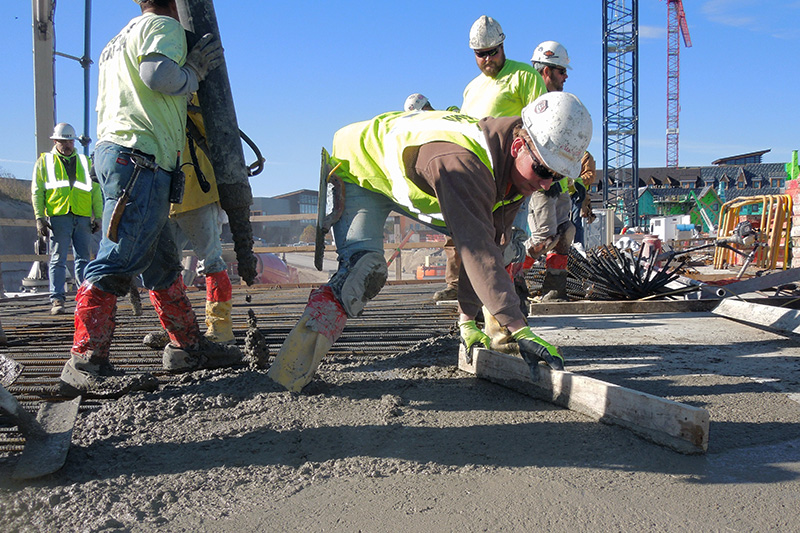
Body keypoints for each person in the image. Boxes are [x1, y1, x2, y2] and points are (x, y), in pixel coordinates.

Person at [268, 91, 593, 392]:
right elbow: (475, 247)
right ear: (518, 146)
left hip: (411, 175)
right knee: (361, 272)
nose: (545, 182)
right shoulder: (462, 164)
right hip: (360, 168)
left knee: (505, 248)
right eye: (541, 170)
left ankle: (496, 339)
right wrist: (518, 326)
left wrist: (467, 318)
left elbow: (488, 244)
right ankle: (286, 377)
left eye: (556, 176)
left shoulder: (516, 171)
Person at [58, 0, 241, 397]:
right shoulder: (164, 26)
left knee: (160, 263)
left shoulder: (118, 38)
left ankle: (187, 348)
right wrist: (194, 71)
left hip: (122, 155)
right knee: (119, 258)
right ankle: (85, 360)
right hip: (140, 157)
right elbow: (158, 76)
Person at [434, 15, 548, 302]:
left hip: (512, 176)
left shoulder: (524, 77)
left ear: (502, 45)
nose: (488, 59)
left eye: (492, 52)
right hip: (478, 178)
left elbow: (542, 126)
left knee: (511, 237)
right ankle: (478, 300)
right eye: (481, 54)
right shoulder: (472, 88)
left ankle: (510, 297)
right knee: (476, 238)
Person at [142, 93, 236, 348]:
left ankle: (219, 329)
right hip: (167, 194)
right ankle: (177, 329)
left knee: (211, 261)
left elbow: (218, 133)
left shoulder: (195, 97)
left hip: (196, 190)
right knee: (164, 268)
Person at [526, 40, 594, 300]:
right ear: (546, 71)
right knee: (542, 238)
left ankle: (555, 288)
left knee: (565, 232)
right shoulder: (533, 104)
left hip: (560, 182)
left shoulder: (561, 105)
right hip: (539, 183)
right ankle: (512, 283)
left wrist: (575, 183)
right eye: (561, 71)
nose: (566, 77)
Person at [31, 123, 103, 315]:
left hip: (82, 216)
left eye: (70, 141)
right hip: (59, 216)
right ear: (55, 141)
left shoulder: (85, 161)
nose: (67, 145)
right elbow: (37, 192)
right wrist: (39, 217)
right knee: (58, 259)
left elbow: (95, 190)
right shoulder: (44, 162)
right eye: (63, 141)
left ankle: (84, 298)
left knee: (83, 259)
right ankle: (57, 299)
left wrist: (100, 216)